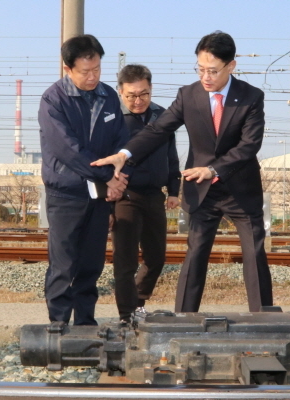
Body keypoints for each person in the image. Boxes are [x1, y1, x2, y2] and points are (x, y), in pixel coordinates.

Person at [92, 31, 273, 313]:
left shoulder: (251, 97)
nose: (205, 77)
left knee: (254, 253)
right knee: (196, 254)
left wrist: (213, 169)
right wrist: (124, 154)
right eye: (200, 69)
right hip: (202, 191)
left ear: (231, 66)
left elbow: (249, 145)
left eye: (212, 70)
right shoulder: (188, 95)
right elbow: (157, 129)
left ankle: (262, 319)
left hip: (240, 189)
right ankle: (185, 318)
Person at [38, 34, 130, 326]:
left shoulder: (109, 96)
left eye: (97, 69)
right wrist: (108, 176)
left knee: (92, 264)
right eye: (85, 71)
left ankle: (86, 323)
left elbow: (121, 140)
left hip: (99, 194)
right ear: (68, 69)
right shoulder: (53, 100)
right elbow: (68, 149)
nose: (93, 77)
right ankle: (58, 325)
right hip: (66, 192)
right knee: (63, 265)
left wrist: (118, 176)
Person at [113, 64, 181, 322]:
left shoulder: (162, 116)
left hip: (154, 195)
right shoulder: (112, 118)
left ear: (151, 89)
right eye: (131, 95)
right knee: (125, 261)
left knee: (157, 257)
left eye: (144, 94)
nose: (138, 100)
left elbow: (171, 155)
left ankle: (138, 301)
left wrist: (174, 189)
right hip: (124, 196)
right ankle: (126, 314)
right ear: (120, 92)